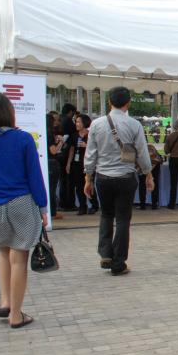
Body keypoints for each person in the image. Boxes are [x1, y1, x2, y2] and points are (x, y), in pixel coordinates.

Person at [0, 92, 48, 328]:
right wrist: (43, 207)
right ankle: (16, 315)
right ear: (9, 111)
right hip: (21, 202)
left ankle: (5, 302)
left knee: (2, 252)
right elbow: (34, 176)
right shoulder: (23, 139)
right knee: (19, 258)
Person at [84, 86, 153, 276]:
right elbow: (142, 153)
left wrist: (88, 178)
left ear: (109, 102)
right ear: (128, 103)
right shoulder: (134, 125)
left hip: (103, 177)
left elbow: (90, 154)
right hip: (126, 177)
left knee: (106, 215)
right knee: (123, 219)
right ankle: (118, 262)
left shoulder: (96, 124)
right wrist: (148, 174)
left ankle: (106, 254)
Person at [67, 114, 99, 215]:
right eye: (76, 122)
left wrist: (86, 145)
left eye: (79, 122)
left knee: (90, 183)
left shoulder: (91, 135)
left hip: (89, 163)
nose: (77, 124)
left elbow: (97, 148)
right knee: (79, 185)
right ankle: (82, 206)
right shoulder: (74, 135)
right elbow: (72, 150)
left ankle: (94, 205)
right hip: (77, 163)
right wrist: (69, 163)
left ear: (84, 123)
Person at [59, 103, 77, 211]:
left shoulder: (59, 120)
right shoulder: (69, 122)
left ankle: (62, 202)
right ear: (70, 112)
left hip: (59, 154)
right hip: (68, 154)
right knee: (69, 180)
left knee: (62, 180)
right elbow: (72, 138)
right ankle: (69, 203)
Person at [46, 113, 65, 221]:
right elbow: (53, 151)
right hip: (52, 162)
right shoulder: (49, 134)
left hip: (47, 161)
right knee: (52, 188)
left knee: (50, 188)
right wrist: (61, 143)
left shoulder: (44, 132)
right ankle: (53, 211)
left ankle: (50, 210)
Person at [138, 144, 162, 209]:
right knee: (154, 185)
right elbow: (160, 159)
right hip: (155, 169)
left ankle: (142, 205)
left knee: (142, 186)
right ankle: (154, 205)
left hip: (143, 168)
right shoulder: (152, 148)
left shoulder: (140, 149)